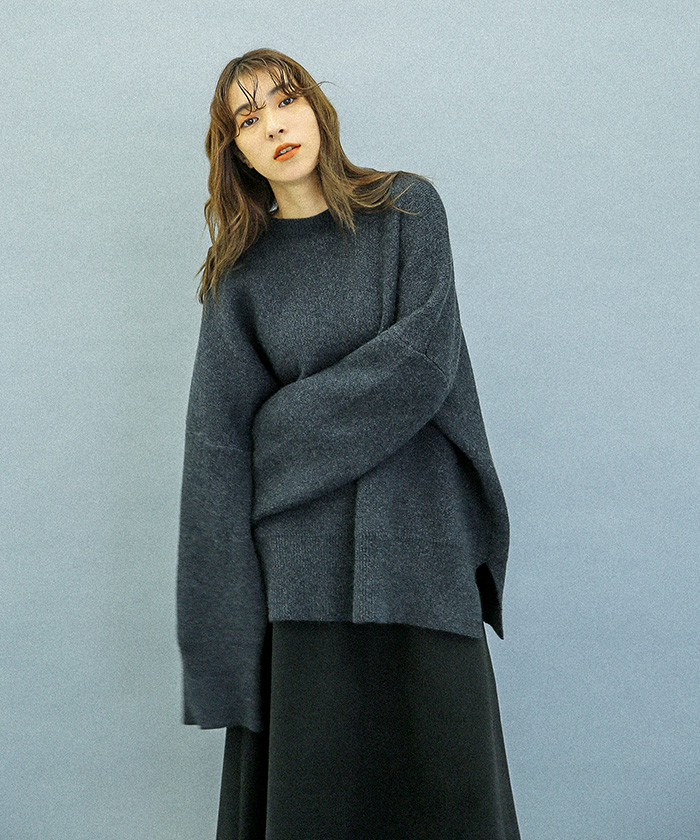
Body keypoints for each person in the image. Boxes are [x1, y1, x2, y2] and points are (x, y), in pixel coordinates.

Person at [176, 46, 521, 840]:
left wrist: (276, 427)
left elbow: (421, 367)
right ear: (235, 150)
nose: (273, 126)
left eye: (284, 100)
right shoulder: (240, 277)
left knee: (448, 797)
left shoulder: (408, 210)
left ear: (316, 109)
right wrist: (220, 638)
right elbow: (216, 449)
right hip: (300, 573)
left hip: (422, 548)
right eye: (247, 119)